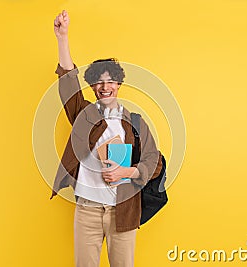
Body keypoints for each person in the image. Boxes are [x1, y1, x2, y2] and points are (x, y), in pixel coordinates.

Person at [51, 10, 163, 267]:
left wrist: (130, 171)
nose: (104, 86)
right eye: (98, 82)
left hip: (123, 211)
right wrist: (63, 38)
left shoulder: (135, 122)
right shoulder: (84, 114)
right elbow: (67, 84)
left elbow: (153, 161)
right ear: (92, 86)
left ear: (118, 84)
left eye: (110, 81)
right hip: (87, 210)